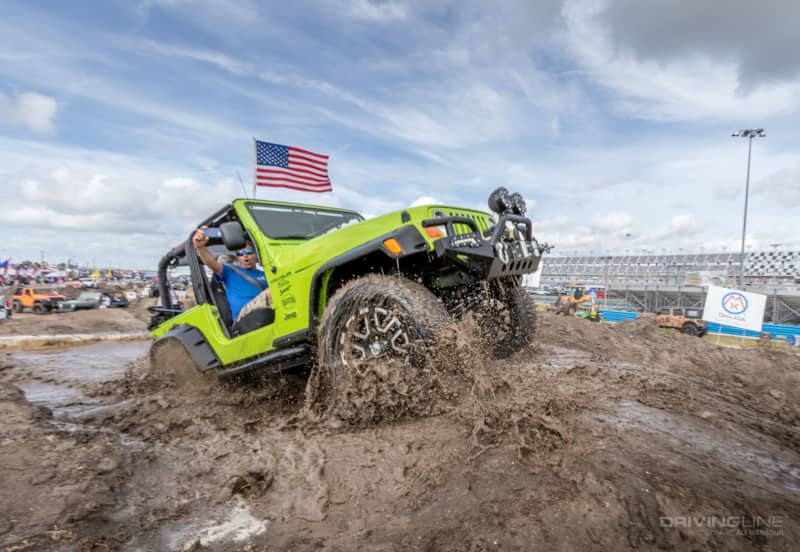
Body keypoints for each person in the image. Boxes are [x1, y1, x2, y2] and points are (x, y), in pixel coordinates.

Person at [192, 227, 271, 321]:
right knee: (273, 291)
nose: (245, 256)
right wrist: (200, 248)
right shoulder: (230, 271)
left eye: (249, 252)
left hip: (267, 310)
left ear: (256, 255)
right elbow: (212, 263)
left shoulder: (265, 274)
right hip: (244, 316)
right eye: (240, 254)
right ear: (237, 258)